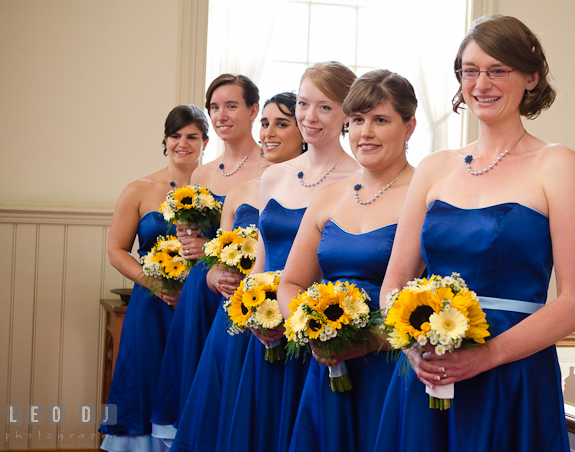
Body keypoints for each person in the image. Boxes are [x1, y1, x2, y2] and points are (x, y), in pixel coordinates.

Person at [374, 14, 575, 452]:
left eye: (498, 70)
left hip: (511, 374)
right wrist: (412, 346)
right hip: (427, 371)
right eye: (470, 71)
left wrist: (487, 355)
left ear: (531, 78)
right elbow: (394, 284)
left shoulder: (558, 164)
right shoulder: (435, 166)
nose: (481, 84)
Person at [225, 61, 361, 452]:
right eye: (303, 104)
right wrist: (251, 310)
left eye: (324, 107)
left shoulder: (355, 180)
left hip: (319, 331)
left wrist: (305, 321)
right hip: (266, 329)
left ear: (347, 114)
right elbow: (262, 261)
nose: (309, 116)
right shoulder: (274, 176)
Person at [278, 69, 417, 452]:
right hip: (328, 365)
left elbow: (432, 301)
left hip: (392, 370)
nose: (365, 132)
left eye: (380, 120)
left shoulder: (425, 196)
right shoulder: (328, 197)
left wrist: (369, 341)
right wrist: (313, 330)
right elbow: (290, 284)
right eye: (357, 120)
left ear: (409, 127)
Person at [169, 93, 306, 452]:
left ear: (304, 131)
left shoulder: (319, 191)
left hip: (286, 309)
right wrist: (216, 274)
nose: (269, 133)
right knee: (224, 407)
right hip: (236, 314)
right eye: (265, 123)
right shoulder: (241, 192)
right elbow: (215, 255)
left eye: (282, 123)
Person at [150, 74, 268, 445]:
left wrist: (215, 250)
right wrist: (190, 242)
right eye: (214, 107)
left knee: (230, 380)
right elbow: (195, 232)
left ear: (253, 111)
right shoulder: (201, 172)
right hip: (201, 286)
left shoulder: (273, 168)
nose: (221, 115)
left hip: (245, 286)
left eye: (231, 106)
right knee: (196, 373)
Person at [99, 105, 209, 452]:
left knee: (191, 382)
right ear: (164, 139)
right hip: (151, 305)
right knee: (142, 380)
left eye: (192, 136)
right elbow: (117, 250)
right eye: (176, 135)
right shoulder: (139, 188)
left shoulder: (217, 188)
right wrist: (155, 283)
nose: (183, 143)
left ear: (206, 141)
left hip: (199, 303)